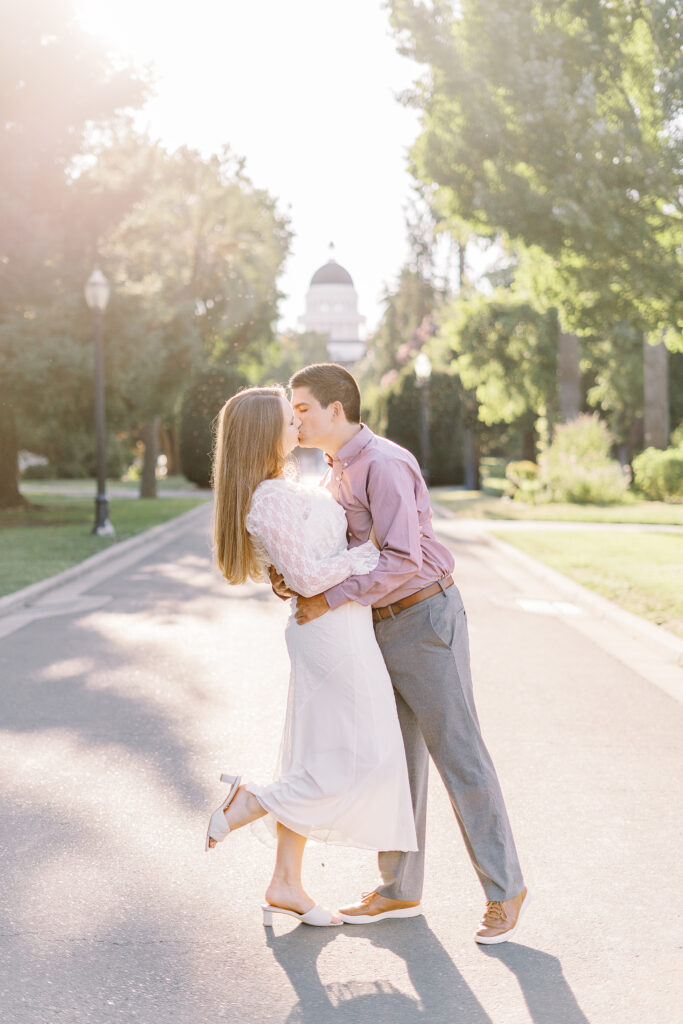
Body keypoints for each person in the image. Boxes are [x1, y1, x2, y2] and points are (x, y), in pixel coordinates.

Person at [285, 363, 528, 944]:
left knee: (459, 753)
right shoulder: (334, 467)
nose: (295, 420)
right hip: (375, 626)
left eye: (303, 410)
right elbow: (347, 550)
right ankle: (399, 889)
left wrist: (329, 598)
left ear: (335, 410)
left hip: (424, 620)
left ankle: (505, 889)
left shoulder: (384, 464)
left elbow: (403, 561)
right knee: (394, 759)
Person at [206, 385, 417, 928]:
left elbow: (304, 566)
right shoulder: (271, 496)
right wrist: (367, 555)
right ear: (265, 433)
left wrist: (346, 559)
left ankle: (285, 883)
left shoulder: (287, 485)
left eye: (300, 413)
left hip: (340, 626)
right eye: (288, 417)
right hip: (330, 633)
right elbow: (305, 578)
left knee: (315, 752)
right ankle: (252, 799)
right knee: (362, 755)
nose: (298, 423)